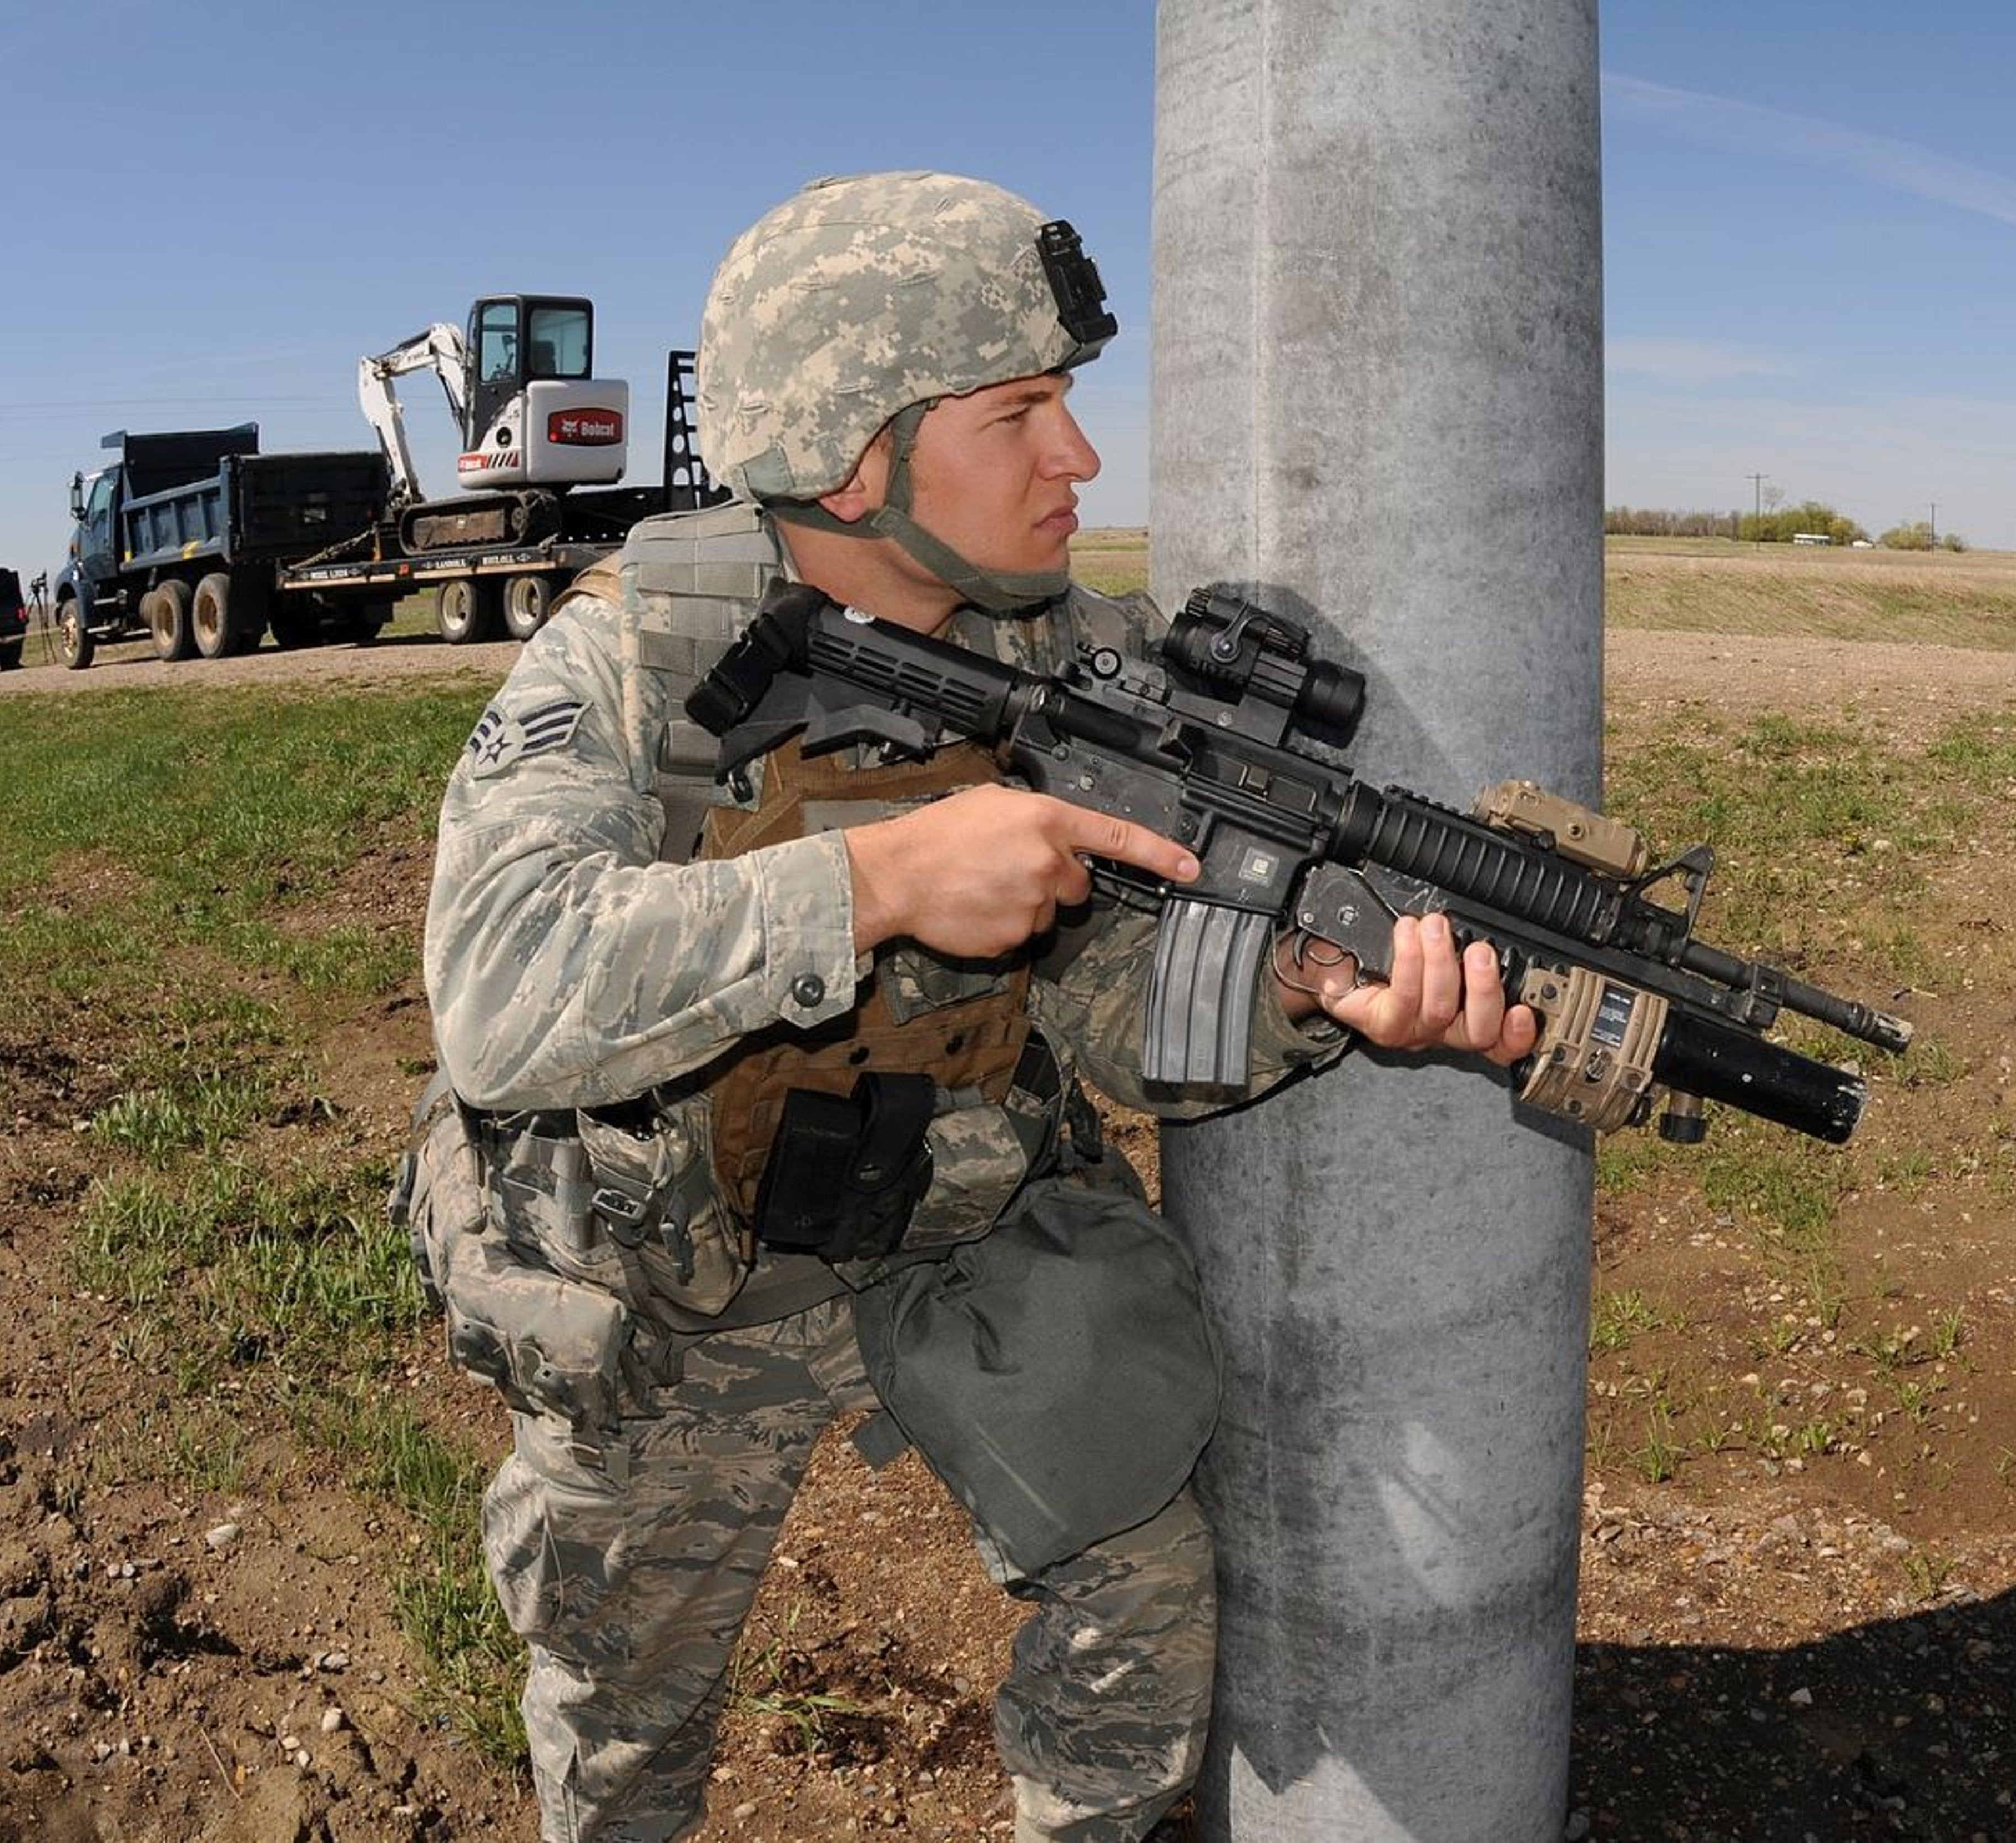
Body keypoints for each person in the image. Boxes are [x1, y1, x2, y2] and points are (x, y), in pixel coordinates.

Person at [399, 170, 1538, 1843]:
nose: (1078, 459)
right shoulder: (641, 655)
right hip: (676, 1301)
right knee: (623, 1737)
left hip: (951, 1241)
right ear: (860, 457)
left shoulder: (1081, 662)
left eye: (1069, 408)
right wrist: (874, 884)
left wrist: (1315, 997)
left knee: (1145, 1619)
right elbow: (498, 991)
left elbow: (1104, 1019)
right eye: (1022, 413)